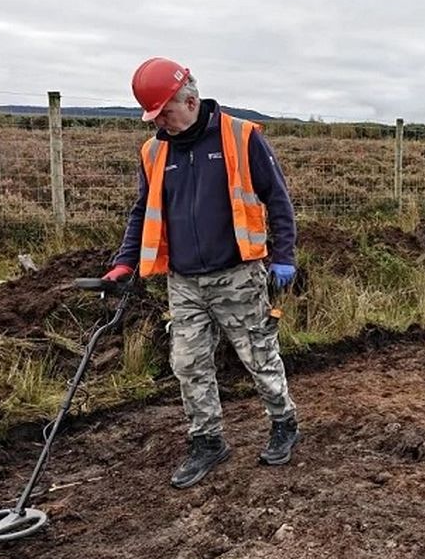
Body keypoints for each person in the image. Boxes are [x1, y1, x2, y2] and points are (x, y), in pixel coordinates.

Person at [104, 57, 300, 489]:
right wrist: (124, 261)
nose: (161, 124)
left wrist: (284, 256)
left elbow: (278, 201)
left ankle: (283, 422)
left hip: (237, 274)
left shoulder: (241, 136)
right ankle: (207, 440)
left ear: (190, 100)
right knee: (188, 363)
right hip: (184, 280)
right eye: (155, 117)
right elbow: (143, 210)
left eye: (166, 113)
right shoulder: (155, 151)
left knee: (258, 356)